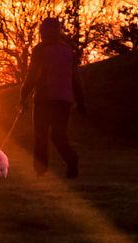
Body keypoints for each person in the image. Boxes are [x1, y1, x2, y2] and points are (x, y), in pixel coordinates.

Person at [19, 16, 87, 177]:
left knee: (40, 134)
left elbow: (32, 75)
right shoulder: (67, 50)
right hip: (64, 100)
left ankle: (40, 169)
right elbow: (75, 77)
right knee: (58, 135)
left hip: (44, 98)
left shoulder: (40, 50)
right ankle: (71, 161)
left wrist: (23, 96)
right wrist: (81, 101)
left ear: (42, 32)